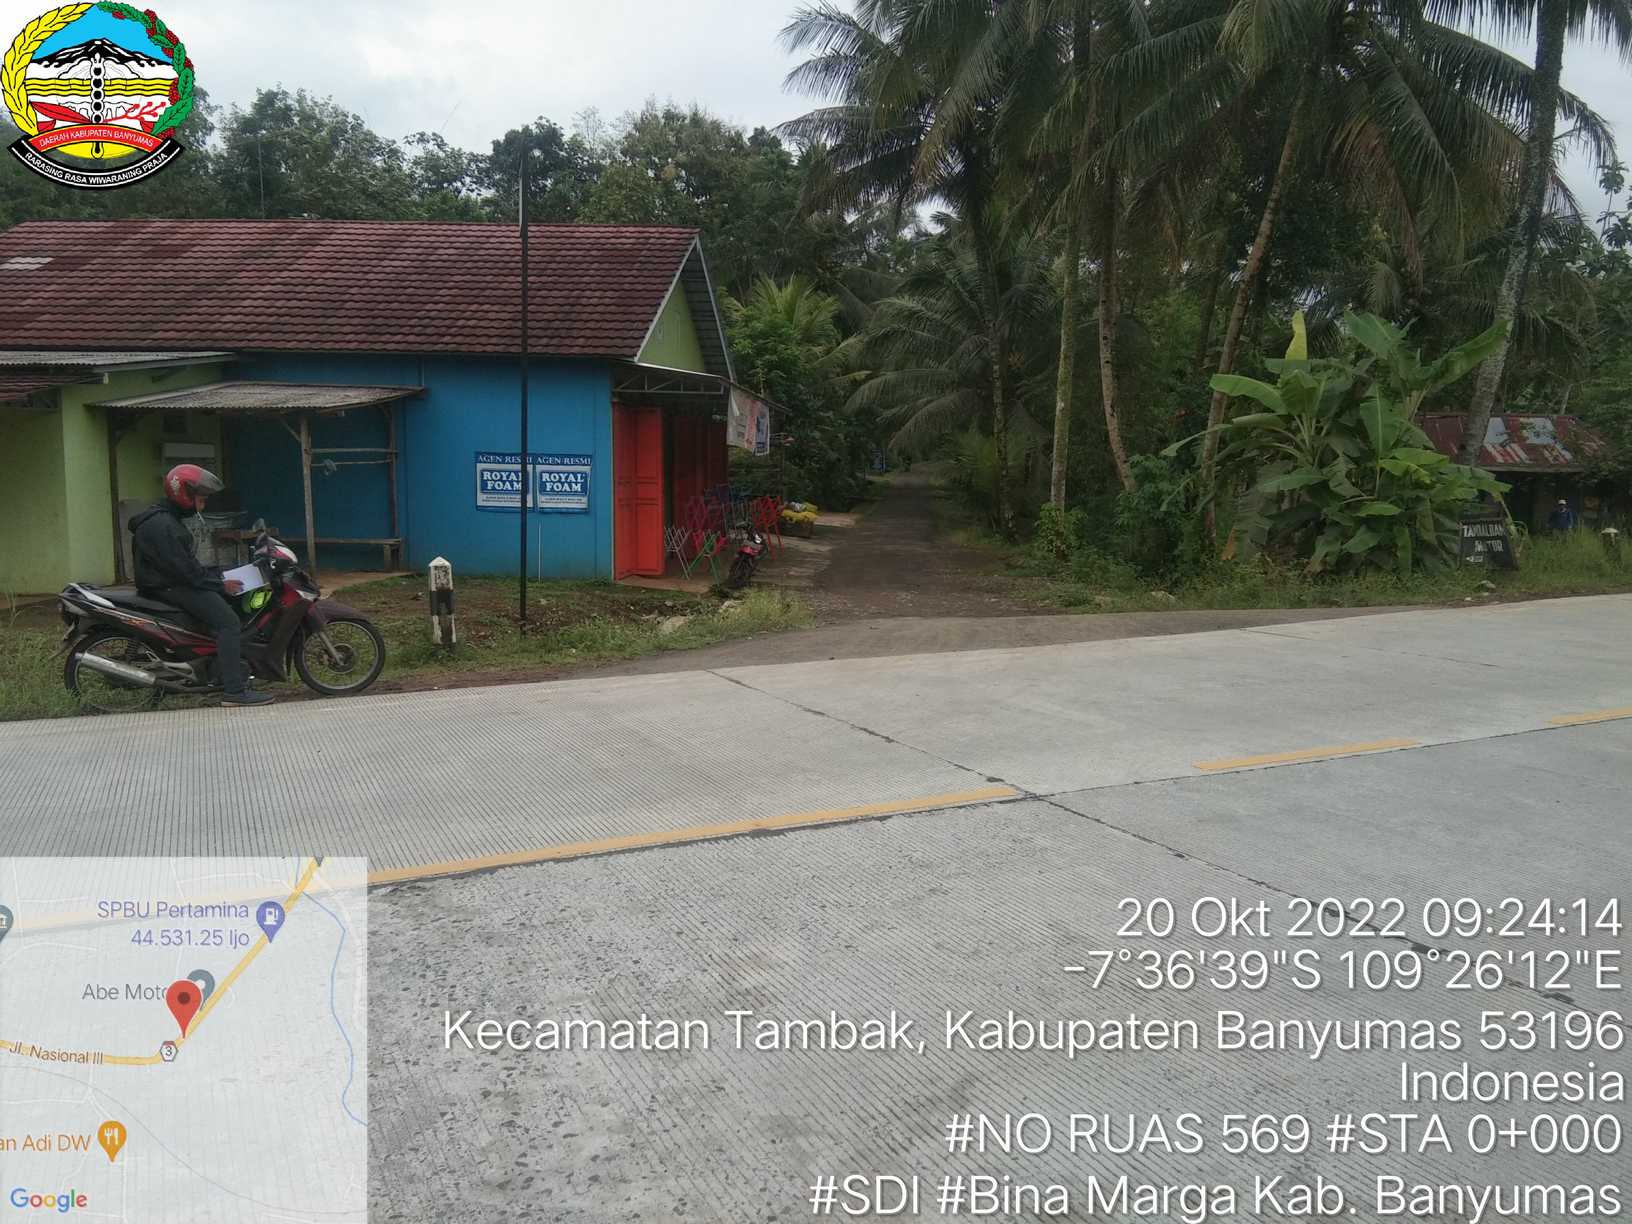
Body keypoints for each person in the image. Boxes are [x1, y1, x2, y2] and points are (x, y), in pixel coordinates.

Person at [129, 464, 274, 707]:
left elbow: (186, 566)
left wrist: (219, 576)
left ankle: (219, 669)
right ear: (184, 495)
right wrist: (220, 584)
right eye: (201, 499)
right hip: (169, 586)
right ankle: (234, 691)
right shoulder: (163, 525)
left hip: (170, 581)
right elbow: (186, 572)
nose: (203, 505)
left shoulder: (165, 520)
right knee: (228, 622)